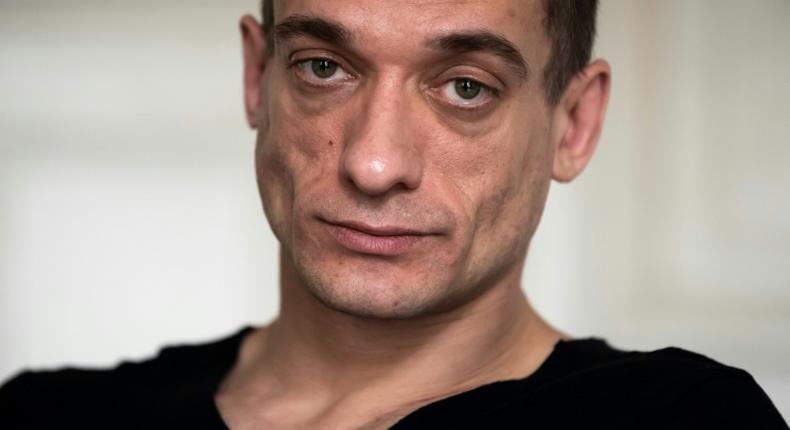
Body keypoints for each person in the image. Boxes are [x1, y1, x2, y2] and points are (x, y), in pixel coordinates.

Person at [0, 0, 786, 428]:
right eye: (323, 67)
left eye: (465, 87)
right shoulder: (51, 423)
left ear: (572, 125)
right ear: (256, 77)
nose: (374, 165)